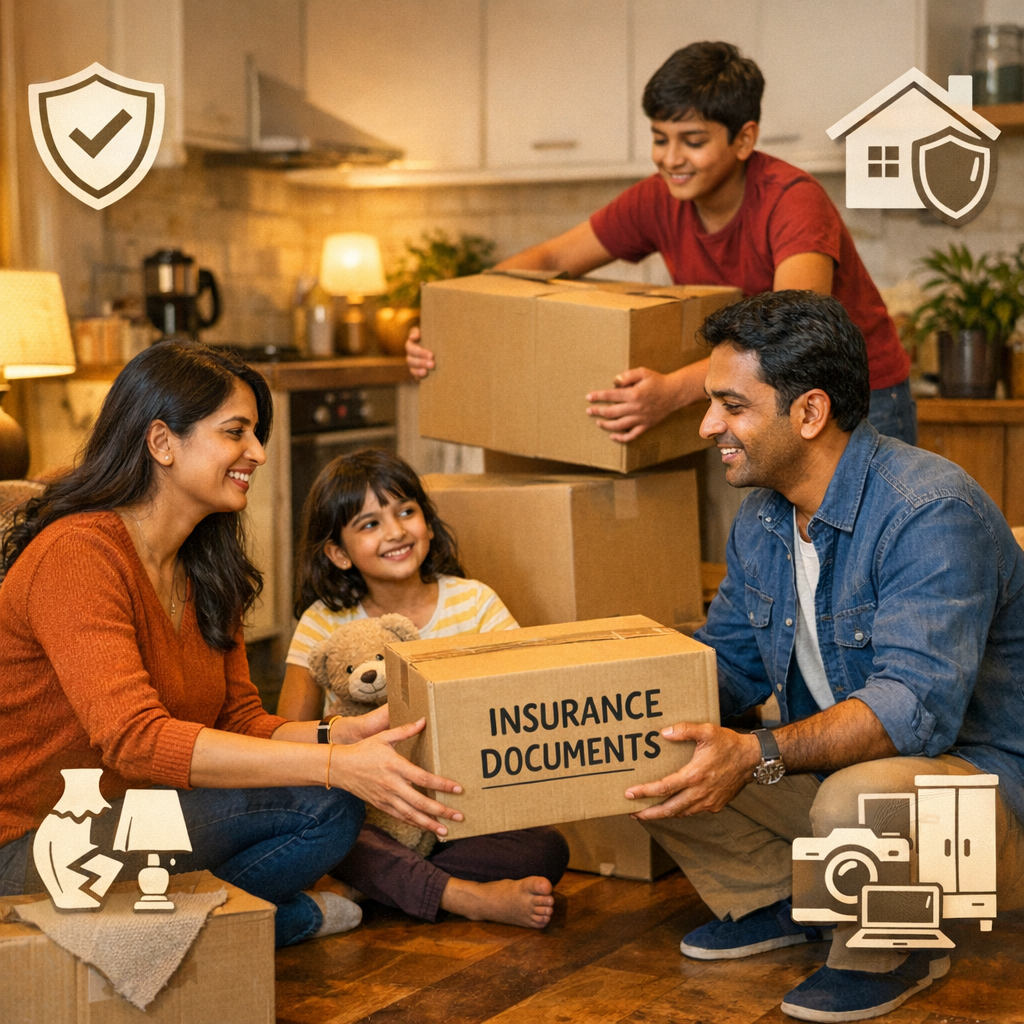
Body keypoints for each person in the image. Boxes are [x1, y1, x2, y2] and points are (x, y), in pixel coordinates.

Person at [621, 291, 1024, 1022]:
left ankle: (897, 943)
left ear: (808, 414)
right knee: (644, 747)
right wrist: (608, 691)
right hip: (859, 772)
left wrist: (759, 753)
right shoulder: (764, 518)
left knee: (855, 799)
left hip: (988, 804)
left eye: (732, 406)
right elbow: (730, 669)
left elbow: (911, 713)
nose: (710, 425)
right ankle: (798, 900)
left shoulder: (929, 511)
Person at [0, 341, 466, 949]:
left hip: (142, 816)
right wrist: (333, 765)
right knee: (322, 800)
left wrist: (338, 736)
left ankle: (215, 927)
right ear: (162, 441)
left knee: (333, 804)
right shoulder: (78, 555)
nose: (259, 453)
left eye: (256, 433)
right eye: (235, 432)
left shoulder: (204, 564)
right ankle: (257, 922)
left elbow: (238, 718)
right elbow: (135, 740)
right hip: (37, 843)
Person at [406, 41, 915, 447]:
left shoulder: (791, 201)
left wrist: (673, 391)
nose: (671, 158)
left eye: (692, 141)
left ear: (744, 139)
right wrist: (453, 316)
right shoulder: (658, 199)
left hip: (853, 395)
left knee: (857, 558)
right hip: (753, 396)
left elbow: (793, 335)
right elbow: (554, 259)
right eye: (659, 137)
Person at [277, 448, 568, 928]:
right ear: (338, 553)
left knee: (546, 849)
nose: (395, 532)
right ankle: (464, 897)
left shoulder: (475, 603)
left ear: (428, 525)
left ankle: (378, 885)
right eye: (369, 524)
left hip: (453, 809)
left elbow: (523, 694)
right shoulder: (323, 622)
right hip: (365, 813)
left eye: (406, 512)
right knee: (321, 822)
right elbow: (290, 734)